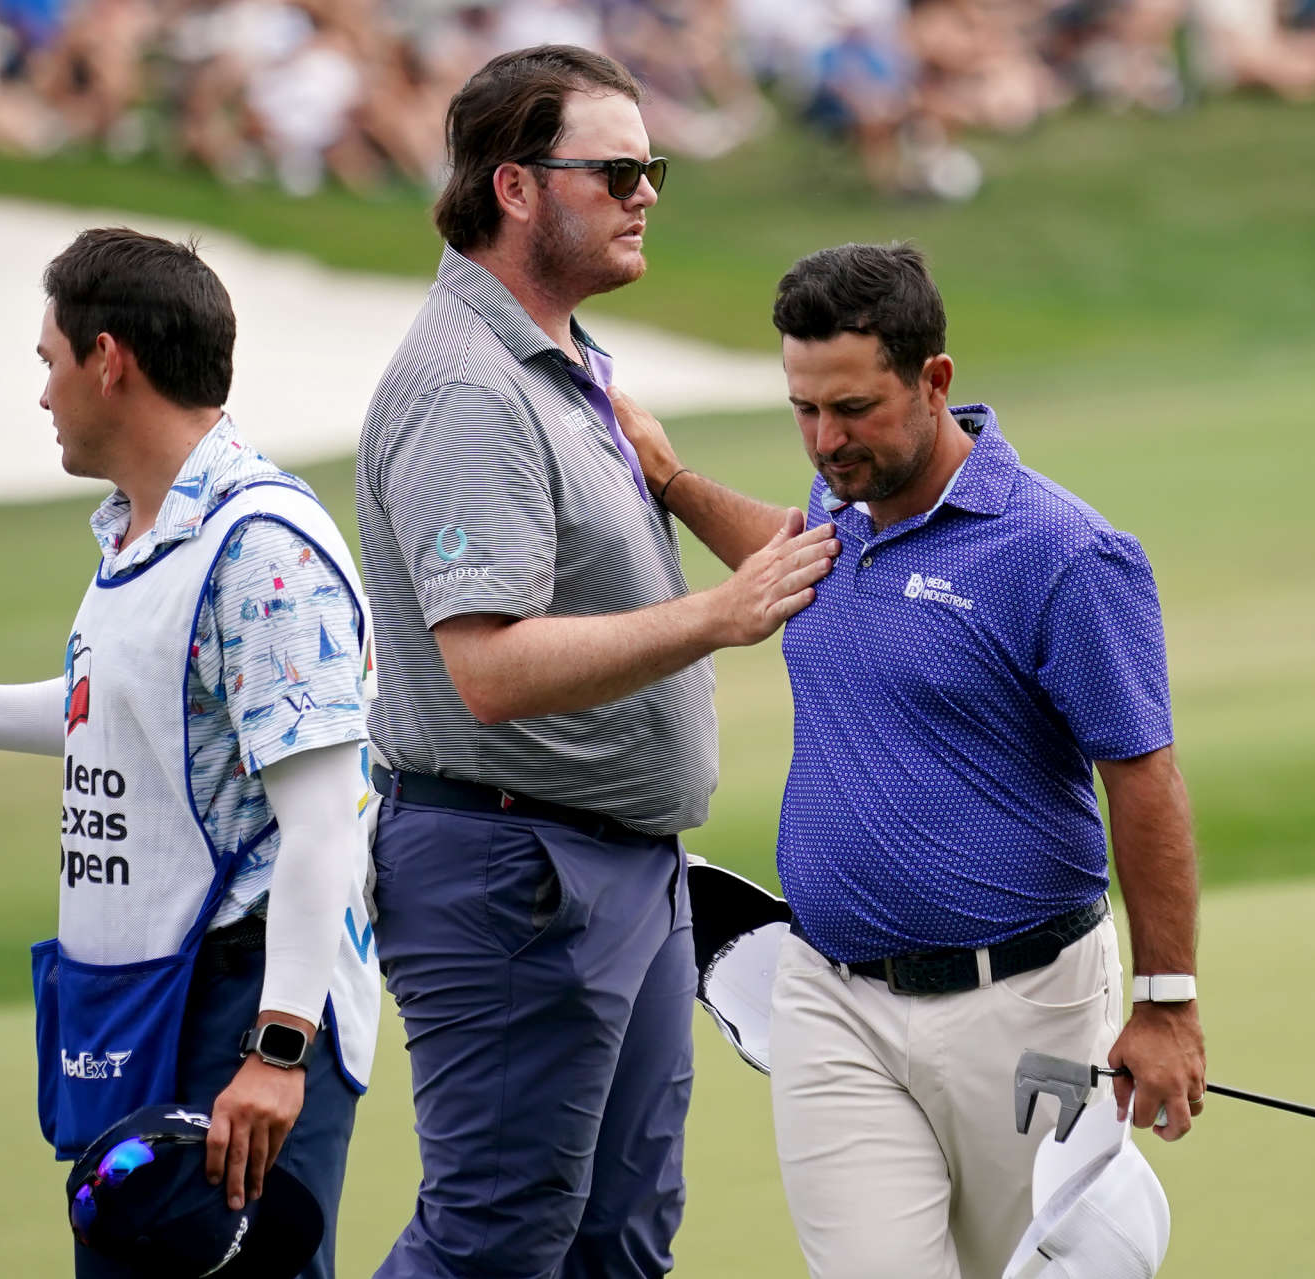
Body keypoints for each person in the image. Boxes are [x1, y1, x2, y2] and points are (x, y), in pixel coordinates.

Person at [612, 241, 1207, 1279]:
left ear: (935, 380)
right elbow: (793, 553)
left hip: (1027, 1006)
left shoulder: (1061, 553)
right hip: (829, 1001)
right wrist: (668, 477)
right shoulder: (843, 502)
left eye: (853, 410)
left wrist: (1166, 1002)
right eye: (803, 410)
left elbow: (1142, 776)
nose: (826, 440)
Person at [355, 44, 839, 1279]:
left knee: (618, 1239)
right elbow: (491, 669)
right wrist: (717, 617)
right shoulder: (470, 386)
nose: (646, 195)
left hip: (615, 871)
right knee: (496, 1241)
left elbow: (790, 559)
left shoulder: (567, 366)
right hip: (513, 873)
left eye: (652, 169)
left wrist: (673, 480)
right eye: (617, 170)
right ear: (515, 187)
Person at [0, 227, 379, 1278]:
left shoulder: (260, 545)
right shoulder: (142, 537)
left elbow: (327, 819)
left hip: (242, 1008)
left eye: (51, 361)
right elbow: (109, 710)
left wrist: (280, 1050)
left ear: (110, 360)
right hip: (162, 1000)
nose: (45, 393)